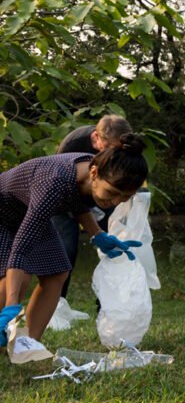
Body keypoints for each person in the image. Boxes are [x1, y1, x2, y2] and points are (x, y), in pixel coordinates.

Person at [0, 135, 148, 360]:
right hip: (3, 210)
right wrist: (12, 306)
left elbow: (77, 201)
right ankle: (4, 327)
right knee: (15, 280)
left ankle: (27, 346)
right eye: (111, 193)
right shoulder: (54, 182)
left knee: (57, 271)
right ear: (95, 174)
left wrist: (98, 235)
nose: (115, 202)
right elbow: (20, 249)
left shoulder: (93, 169)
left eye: (124, 197)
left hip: (28, 210)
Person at [52, 115, 134, 300]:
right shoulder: (73, 144)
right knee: (66, 249)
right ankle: (57, 304)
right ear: (96, 137)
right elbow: (60, 185)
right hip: (65, 200)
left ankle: (107, 305)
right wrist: (88, 218)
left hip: (104, 198)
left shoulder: (124, 147)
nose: (113, 154)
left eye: (117, 150)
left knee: (114, 246)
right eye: (108, 148)